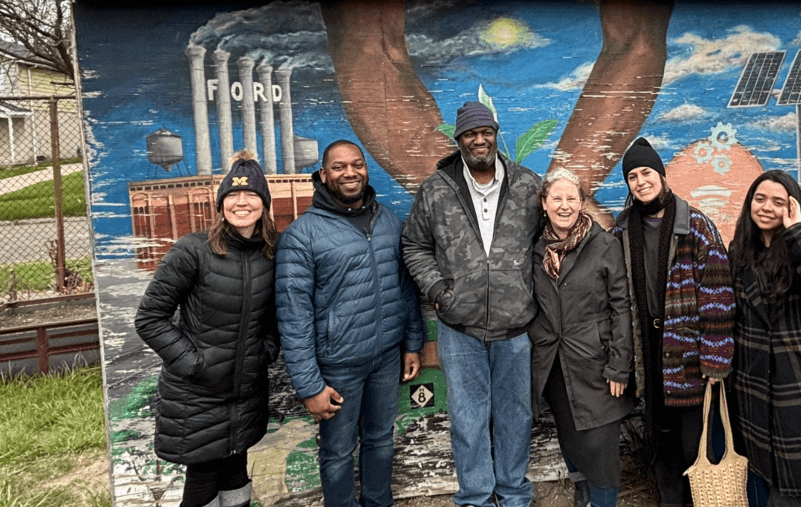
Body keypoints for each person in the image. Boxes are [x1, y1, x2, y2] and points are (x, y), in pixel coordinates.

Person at [402, 101, 541, 507]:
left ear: (496, 135)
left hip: (515, 327)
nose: (479, 140)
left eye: (486, 132)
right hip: (459, 328)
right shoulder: (436, 189)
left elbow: (547, 240)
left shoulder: (528, 185)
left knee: (517, 417)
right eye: (469, 134)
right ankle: (476, 497)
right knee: (467, 420)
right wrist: (439, 292)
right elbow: (414, 245)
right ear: (458, 139)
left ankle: (514, 494)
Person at [275, 140, 424, 507]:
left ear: (366, 169)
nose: (350, 173)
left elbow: (403, 286)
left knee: (380, 440)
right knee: (338, 452)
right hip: (337, 367)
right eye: (339, 167)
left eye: (357, 165)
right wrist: (310, 386)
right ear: (323, 175)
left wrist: (413, 342)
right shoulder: (302, 235)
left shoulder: (387, 219)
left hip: (386, 358)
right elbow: (293, 317)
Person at [135, 151, 279, 507]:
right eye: (232, 195)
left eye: (251, 196)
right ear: (220, 203)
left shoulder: (272, 255)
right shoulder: (192, 251)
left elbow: (276, 319)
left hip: (245, 392)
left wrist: (265, 353)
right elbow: (150, 318)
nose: (241, 203)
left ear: (264, 203)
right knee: (202, 479)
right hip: (197, 396)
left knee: (235, 468)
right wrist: (194, 364)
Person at [614, 137, 735, 507]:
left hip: (687, 352)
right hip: (648, 351)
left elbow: (717, 295)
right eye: (632, 176)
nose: (640, 181)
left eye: (646, 172)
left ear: (662, 175)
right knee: (660, 438)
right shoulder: (621, 231)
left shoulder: (695, 226)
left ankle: (702, 499)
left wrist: (716, 358)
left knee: (691, 441)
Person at [728, 170, 801, 506]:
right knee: (761, 471)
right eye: (760, 198)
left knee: (796, 482)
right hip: (754, 381)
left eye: (778, 202)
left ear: (792, 207)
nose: (766, 207)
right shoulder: (739, 253)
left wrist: (796, 232)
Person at [530, 168, 633, 507]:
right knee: (571, 437)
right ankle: (583, 494)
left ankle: (602, 501)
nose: (564, 205)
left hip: (596, 361)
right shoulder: (536, 250)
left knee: (600, 446)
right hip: (554, 363)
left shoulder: (603, 244)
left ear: (582, 203)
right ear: (544, 203)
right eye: (556, 198)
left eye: (571, 198)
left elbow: (622, 306)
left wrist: (619, 365)